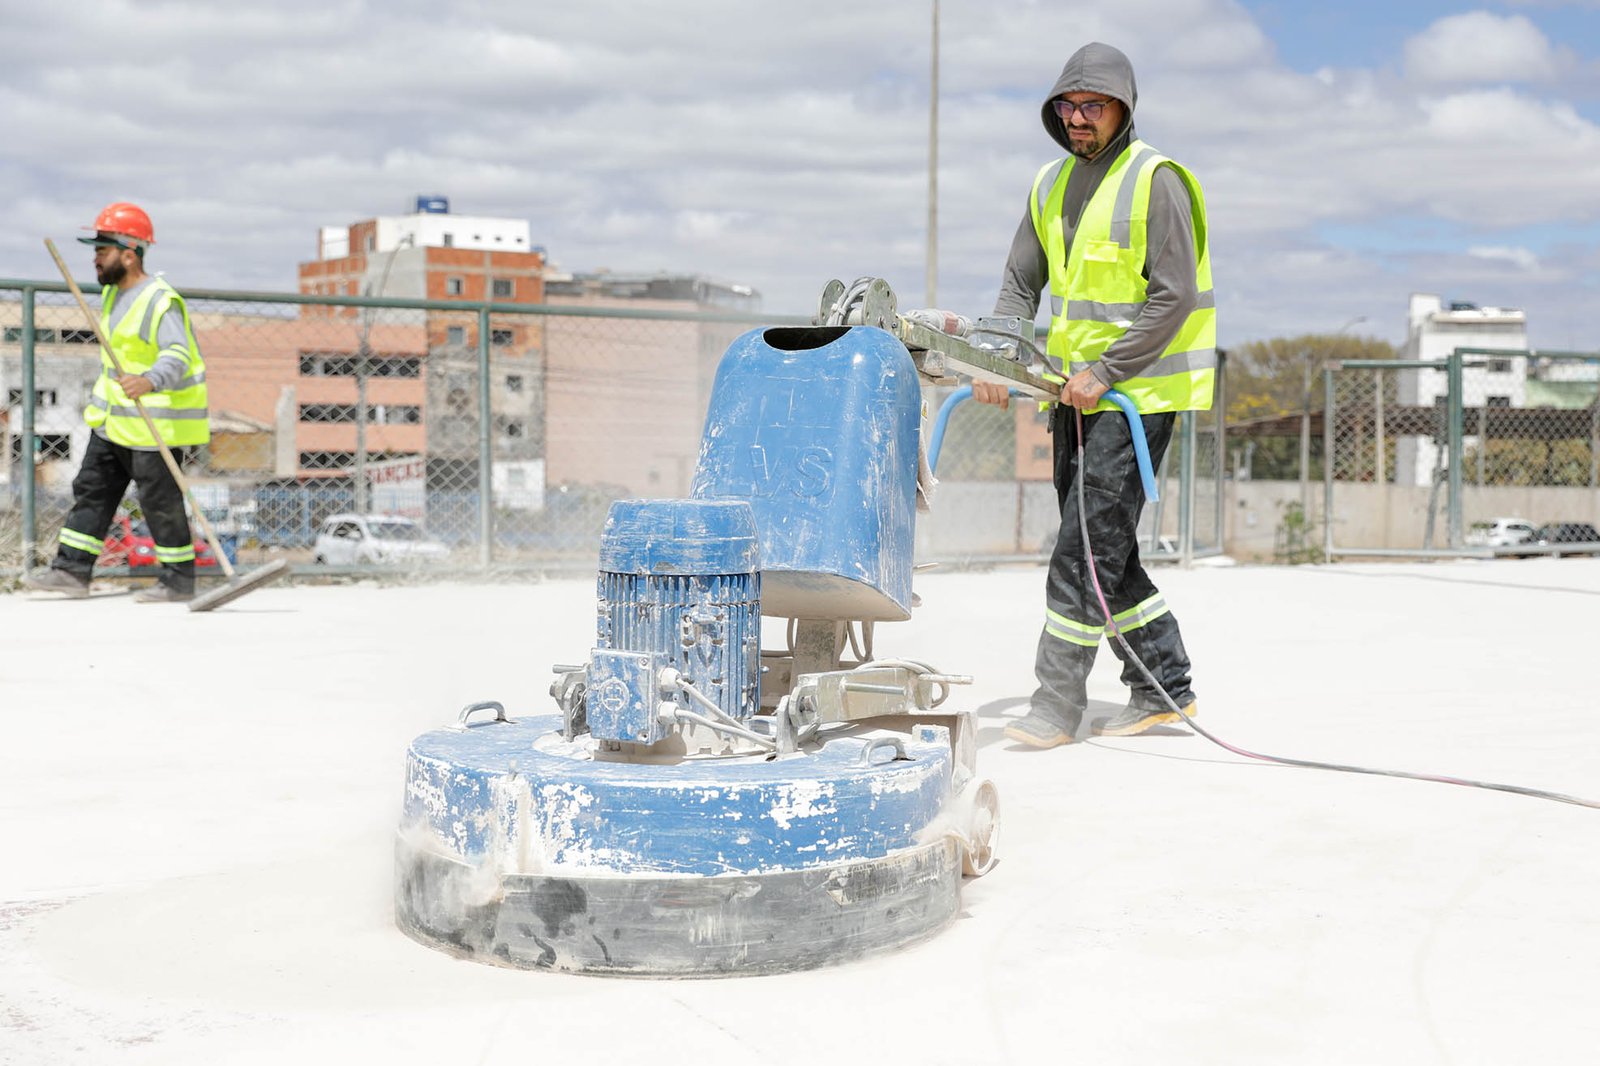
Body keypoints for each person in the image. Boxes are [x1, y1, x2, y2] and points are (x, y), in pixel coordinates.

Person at [972, 42, 1216, 747]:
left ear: (1123, 109)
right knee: (1102, 549)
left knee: (1082, 552)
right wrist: (998, 355)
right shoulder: (1049, 184)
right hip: (1071, 398)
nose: (1079, 118)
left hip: (1138, 398)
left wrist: (1106, 372)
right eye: (1068, 106)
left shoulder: (1156, 180)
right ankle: (1163, 686)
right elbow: (1022, 283)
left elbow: (1174, 298)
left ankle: (1055, 704)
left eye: (1093, 106)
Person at [24, 202, 209, 603]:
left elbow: (178, 355)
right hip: (112, 423)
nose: (95, 259)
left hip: (154, 426)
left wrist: (149, 380)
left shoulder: (159, 299)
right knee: (91, 491)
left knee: (160, 504)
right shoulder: (113, 296)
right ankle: (71, 571)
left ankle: (178, 582)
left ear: (130, 253)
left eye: (102, 250)